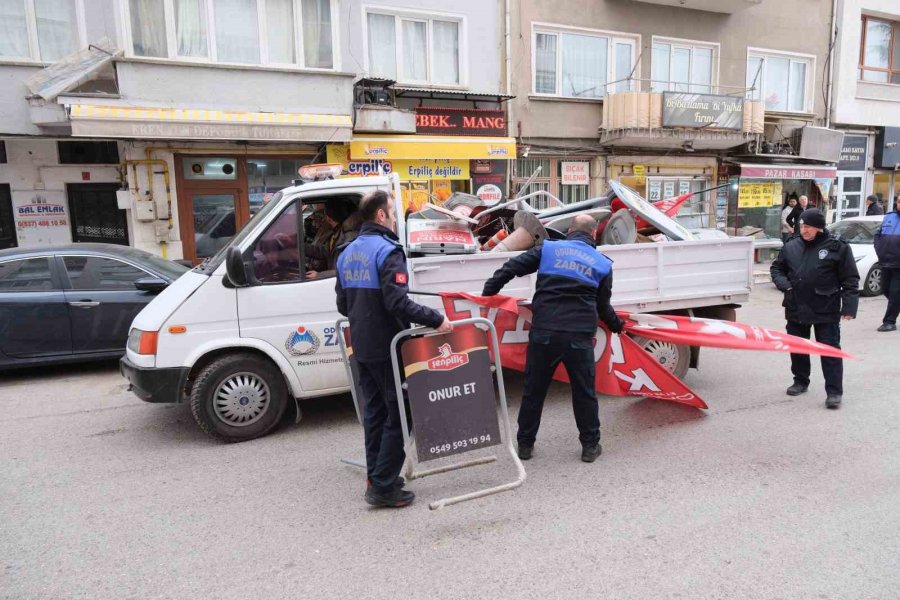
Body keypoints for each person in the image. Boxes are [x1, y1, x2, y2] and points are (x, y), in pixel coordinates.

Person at [336, 190, 452, 508]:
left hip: (362, 345)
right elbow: (397, 302)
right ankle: (383, 486)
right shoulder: (387, 251)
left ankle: (377, 475)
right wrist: (436, 318)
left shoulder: (347, 252)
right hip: (388, 346)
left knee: (375, 414)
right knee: (402, 414)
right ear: (381, 216)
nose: (396, 217)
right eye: (392, 210)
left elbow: (342, 304)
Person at [481, 214, 625, 462]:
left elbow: (510, 268)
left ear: (570, 231)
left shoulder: (548, 250)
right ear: (593, 234)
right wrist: (618, 326)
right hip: (578, 339)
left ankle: (525, 446)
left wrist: (488, 293)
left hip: (544, 334)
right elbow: (604, 307)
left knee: (534, 391)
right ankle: (590, 447)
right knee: (584, 393)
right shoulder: (602, 264)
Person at [770, 208, 859, 409]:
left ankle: (834, 392)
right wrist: (785, 284)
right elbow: (777, 269)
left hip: (825, 307)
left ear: (819, 227)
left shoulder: (837, 248)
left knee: (829, 350)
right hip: (796, 306)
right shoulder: (791, 246)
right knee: (798, 346)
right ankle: (800, 381)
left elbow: (850, 279)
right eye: (802, 226)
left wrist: (849, 307)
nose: (804, 230)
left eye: (808, 226)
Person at [306, 204, 361, 280]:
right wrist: (301, 248)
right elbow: (324, 251)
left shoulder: (348, 238)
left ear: (328, 218)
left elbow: (349, 270)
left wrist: (320, 275)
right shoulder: (336, 233)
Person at [874, 199, 900, 332]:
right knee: (885, 289)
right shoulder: (889, 216)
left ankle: (889, 321)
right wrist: (880, 250)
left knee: (895, 293)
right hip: (886, 262)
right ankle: (896, 305)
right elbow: (877, 235)